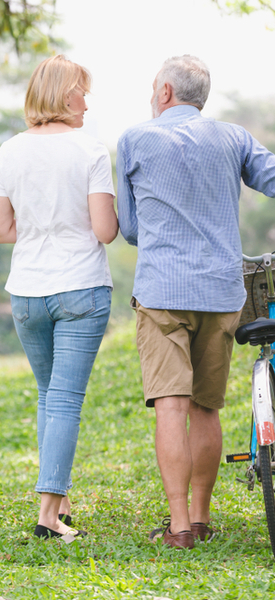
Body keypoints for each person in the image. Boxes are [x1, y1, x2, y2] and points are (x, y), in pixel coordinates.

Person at [117, 55, 275, 549]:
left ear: (165, 92)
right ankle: (203, 520)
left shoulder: (134, 140)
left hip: (164, 292)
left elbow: (130, 229)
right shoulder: (234, 138)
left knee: (171, 406)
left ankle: (179, 526)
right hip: (221, 292)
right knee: (207, 408)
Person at [0, 54, 118, 540]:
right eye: (83, 90)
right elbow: (104, 231)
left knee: (48, 396)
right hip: (80, 286)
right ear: (66, 96)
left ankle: (58, 502)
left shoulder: (9, 151)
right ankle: (47, 516)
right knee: (64, 399)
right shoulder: (90, 151)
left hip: (27, 293)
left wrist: (40, 226)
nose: (87, 101)